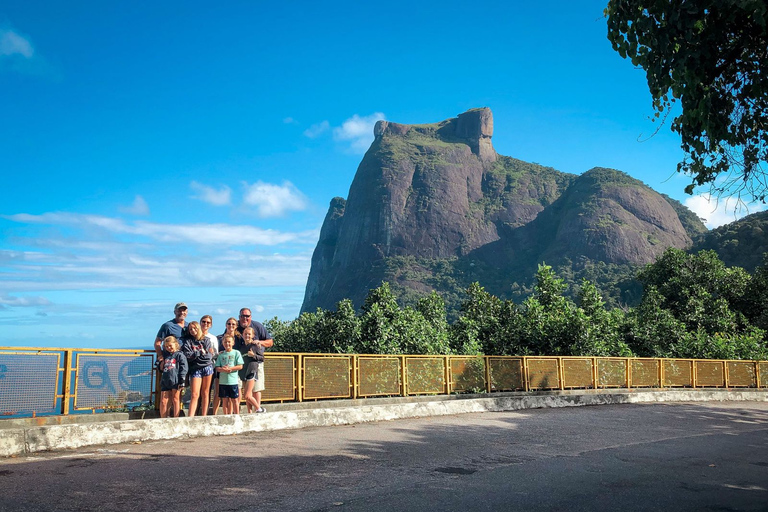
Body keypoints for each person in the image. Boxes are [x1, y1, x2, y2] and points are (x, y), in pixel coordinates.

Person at [181, 321, 214, 417]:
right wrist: (199, 353)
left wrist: (195, 355)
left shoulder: (206, 340)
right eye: (190, 329)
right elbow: (188, 355)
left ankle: (204, 415)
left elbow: (208, 356)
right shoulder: (188, 342)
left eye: (194, 328)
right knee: (195, 394)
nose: (192, 330)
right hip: (195, 369)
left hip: (207, 367)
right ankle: (190, 416)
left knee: (205, 392)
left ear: (198, 328)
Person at [238, 326, 267, 413]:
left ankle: (259, 409)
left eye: (249, 334)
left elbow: (262, 358)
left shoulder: (254, 346)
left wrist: (253, 355)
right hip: (243, 373)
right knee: (247, 395)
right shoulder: (242, 348)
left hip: (252, 372)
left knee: (247, 395)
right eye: (245, 334)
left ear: (253, 335)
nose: (247, 336)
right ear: (242, 335)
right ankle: (249, 412)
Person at [213, 317, 239, 415]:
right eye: (229, 323)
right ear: (226, 325)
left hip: (234, 371)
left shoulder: (239, 338)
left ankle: (232, 414)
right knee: (219, 394)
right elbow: (215, 352)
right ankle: (215, 414)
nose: (231, 326)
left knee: (233, 397)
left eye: (233, 324)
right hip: (221, 368)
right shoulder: (219, 338)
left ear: (236, 326)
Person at [159, 336, 187, 418]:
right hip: (165, 380)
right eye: (167, 346)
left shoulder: (180, 355)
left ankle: (176, 417)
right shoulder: (166, 356)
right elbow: (162, 368)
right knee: (163, 401)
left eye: (170, 346)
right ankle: (163, 418)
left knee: (175, 399)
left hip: (175, 380)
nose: (169, 348)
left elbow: (184, 368)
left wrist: (182, 380)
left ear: (176, 344)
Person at [215, 335, 243, 415]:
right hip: (223, 382)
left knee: (234, 400)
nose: (227, 344)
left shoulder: (236, 353)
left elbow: (240, 366)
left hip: (233, 381)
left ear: (233, 343)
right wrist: (223, 369)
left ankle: (237, 415)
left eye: (229, 342)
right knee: (225, 400)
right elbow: (217, 367)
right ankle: (226, 416)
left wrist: (231, 368)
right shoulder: (221, 355)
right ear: (223, 343)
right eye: (225, 342)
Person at [153, 303, 188, 367]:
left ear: (187, 312)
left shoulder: (189, 326)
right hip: (171, 360)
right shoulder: (168, 326)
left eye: (184, 311)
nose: (182, 312)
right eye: (179, 310)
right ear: (175, 312)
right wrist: (160, 356)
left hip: (185, 359)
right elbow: (157, 343)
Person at [200, 315, 219, 413]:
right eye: (203, 321)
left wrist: (212, 353)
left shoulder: (213, 338)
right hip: (197, 367)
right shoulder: (196, 336)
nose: (205, 324)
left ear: (211, 325)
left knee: (206, 392)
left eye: (208, 322)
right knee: (196, 393)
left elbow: (216, 353)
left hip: (209, 366)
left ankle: (204, 413)